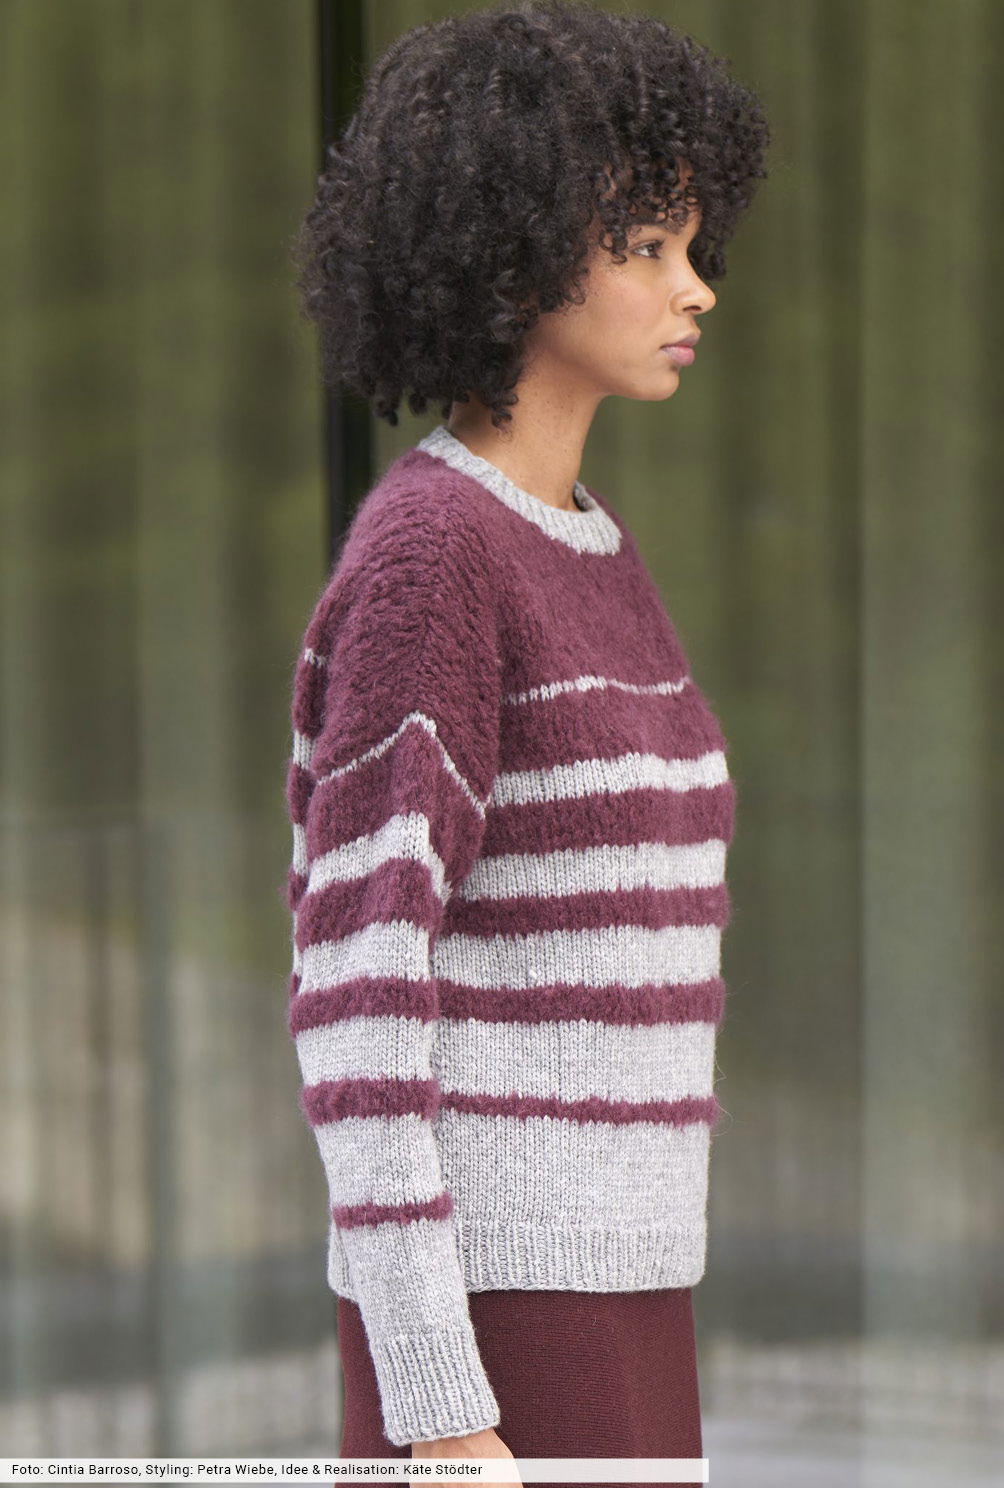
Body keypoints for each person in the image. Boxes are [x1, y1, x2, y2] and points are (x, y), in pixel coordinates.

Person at [284, 2, 770, 1483]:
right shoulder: (434, 557)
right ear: (516, 251)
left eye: (694, 244)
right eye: (647, 247)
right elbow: (359, 998)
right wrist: (438, 1398)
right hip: (500, 1327)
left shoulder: (588, 544)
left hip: (628, 1287)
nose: (694, 286)